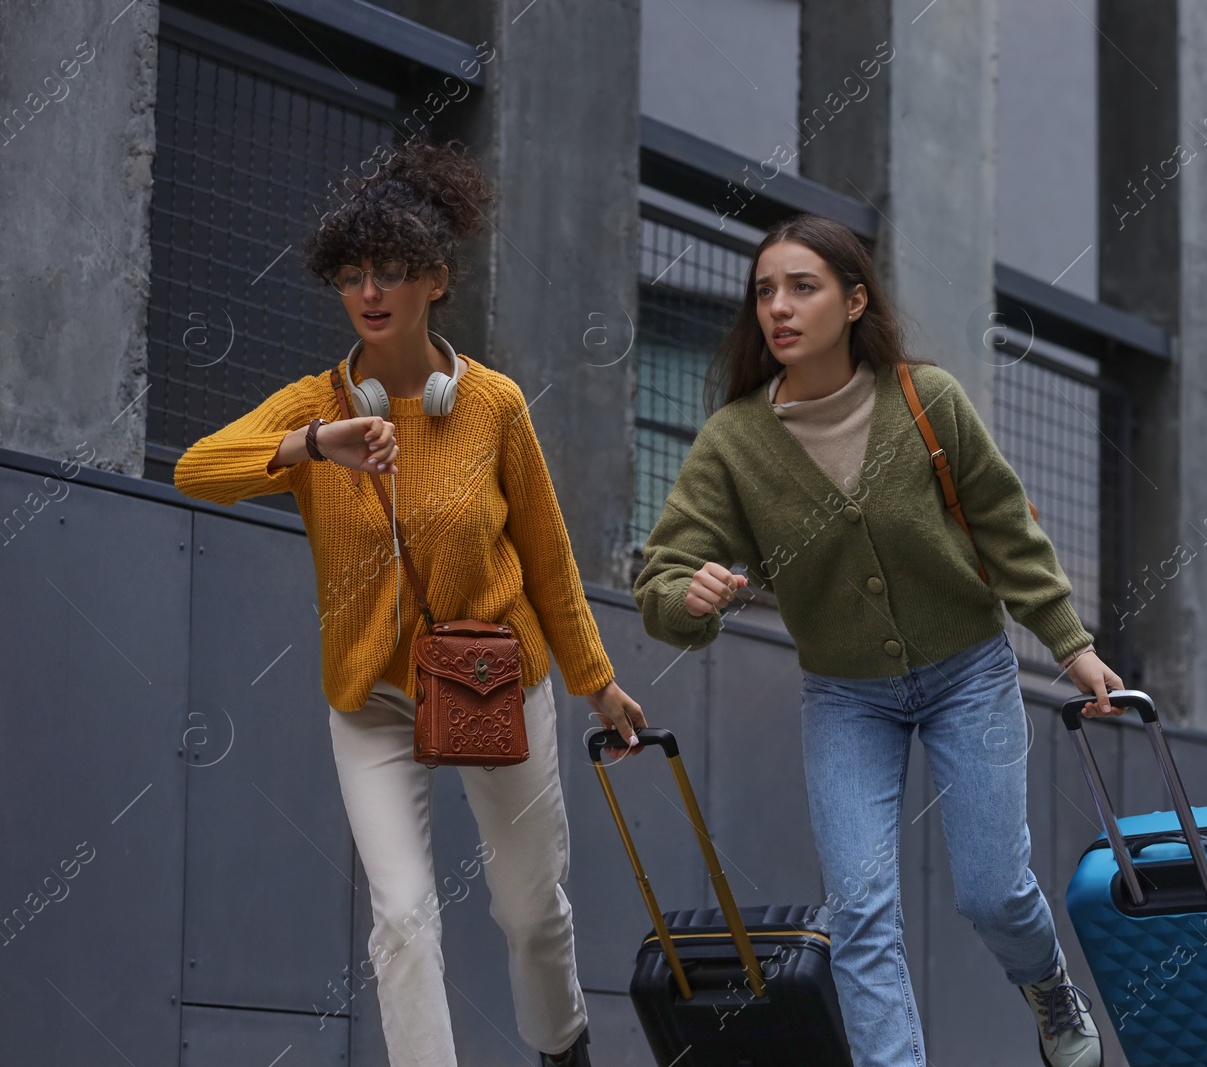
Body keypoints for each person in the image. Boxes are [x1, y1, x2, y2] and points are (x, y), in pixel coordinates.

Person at [174, 140, 645, 1067]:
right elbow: (197, 467)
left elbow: (548, 557)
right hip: (372, 696)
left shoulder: (493, 405)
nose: (369, 290)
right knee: (401, 917)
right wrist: (313, 445)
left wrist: (599, 681)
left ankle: (563, 1049)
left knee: (529, 906)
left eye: (390, 271)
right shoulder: (314, 404)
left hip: (491, 673)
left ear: (434, 279)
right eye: (350, 275)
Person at [633, 213, 1126, 1066]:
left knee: (994, 892)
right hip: (845, 695)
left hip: (969, 671)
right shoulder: (736, 440)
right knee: (859, 908)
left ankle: (1047, 987)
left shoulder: (925, 400)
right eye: (764, 292)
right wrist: (691, 595)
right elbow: (662, 574)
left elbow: (1006, 527)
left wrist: (1070, 643)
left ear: (855, 299)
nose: (778, 308)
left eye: (802, 287)